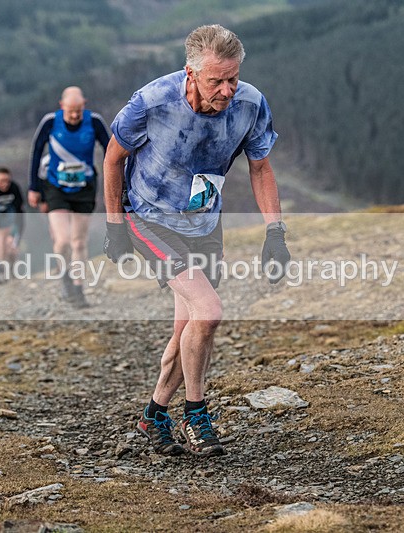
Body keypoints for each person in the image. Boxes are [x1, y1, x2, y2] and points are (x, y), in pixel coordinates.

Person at [103, 25, 291, 457]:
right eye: (215, 80)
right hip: (150, 219)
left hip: (205, 222)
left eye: (233, 78)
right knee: (208, 313)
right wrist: (115, 225)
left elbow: (260, 168)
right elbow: (114, 158)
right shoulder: (152, 101)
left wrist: (275, 231)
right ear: (191, 73)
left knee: (187, 328)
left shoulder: (250, 103)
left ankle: (153, 414)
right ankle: (197, 412)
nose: (226, 89)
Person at [28, 86, 110, 308]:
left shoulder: (94, 122)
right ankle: (65, 278)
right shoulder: (49, 122)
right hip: (56, 187)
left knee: (79, 241)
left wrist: (113, 183)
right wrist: (33, 187)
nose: (74, 116)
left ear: (84, 104)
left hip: (84, 187)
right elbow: (36, 151)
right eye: (70, 111)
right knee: (63, 240)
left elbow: (110, 150)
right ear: (61, 105)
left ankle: (78, 287)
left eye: (78, 110)